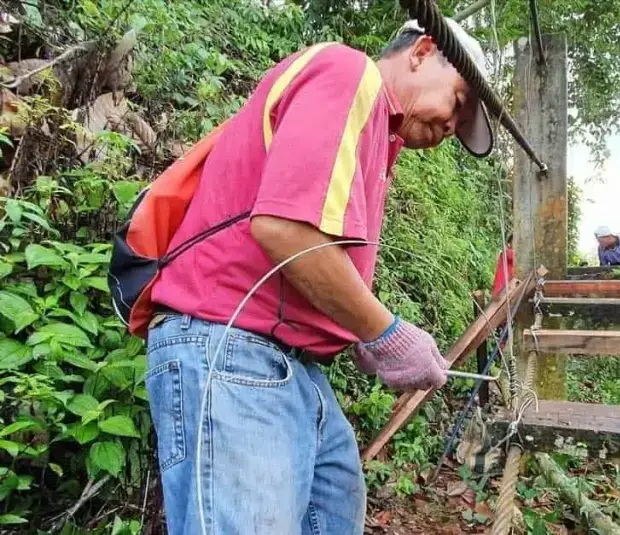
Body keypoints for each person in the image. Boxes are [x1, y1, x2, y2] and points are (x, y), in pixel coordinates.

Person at [143, 19, 493, 534]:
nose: (449, 127)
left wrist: (356, 334)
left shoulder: (378, 139)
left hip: (294, 367)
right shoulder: (347, 73)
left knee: (334, 511)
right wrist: (386, 332)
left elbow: (310, 257)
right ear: (422, 51)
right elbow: (286, 231)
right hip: (232, 346)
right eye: (458, 103)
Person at [491, 233, 514, 298]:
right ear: (509, 244)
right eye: (514, 241)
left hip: (506, 288)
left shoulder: (508, 253)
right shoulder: (507, 253)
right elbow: (513, 256)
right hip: (501, 289)